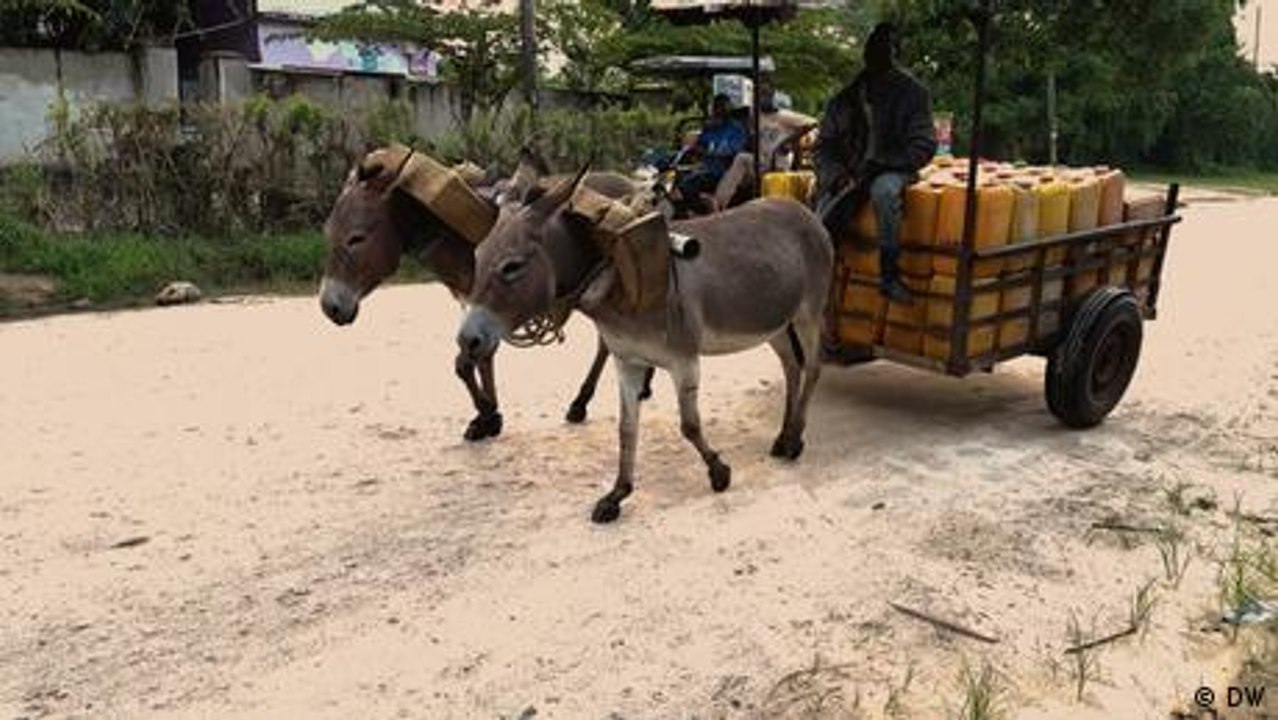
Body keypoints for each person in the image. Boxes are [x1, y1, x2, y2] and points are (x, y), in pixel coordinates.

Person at [814, 22, 938, 304]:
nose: (878, 52)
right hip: (851, 171)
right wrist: (836, 175)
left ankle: (889, 275)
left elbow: (923, 145)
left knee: (883, 192)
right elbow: (823, 148)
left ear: (895, 53)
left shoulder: (912, 94)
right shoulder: (844, 99)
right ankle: (816, 276)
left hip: (893, 169)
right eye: (873, 46)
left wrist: (884, 162)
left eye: (886, 47)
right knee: (823, 210)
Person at [711, 81, 818, 210]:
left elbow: (813, 123)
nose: (763, 97)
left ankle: (719, 203)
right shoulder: (755, 114)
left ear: (772, 94)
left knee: (741, 159)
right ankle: (721, 203)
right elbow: (737, 114)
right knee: (737, 162)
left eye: (766, 93)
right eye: (760, 93)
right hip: (760, 161)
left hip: (778, 161)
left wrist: (790, 141)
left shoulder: (785, 116)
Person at [674, 93, 748, 210]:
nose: (717, 112)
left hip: (722, 171)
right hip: (704, 167)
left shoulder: (736, 129)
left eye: (721, 108)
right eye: (715, 108)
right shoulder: (710, 128)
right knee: (673, 176)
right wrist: (693, 147)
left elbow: (733, 151)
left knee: (688, 185)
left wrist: (708, 151)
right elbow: (698, 146)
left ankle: (704, 207)